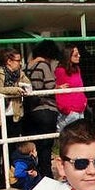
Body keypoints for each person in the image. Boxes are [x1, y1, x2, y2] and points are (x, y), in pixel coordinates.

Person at [0, 48, 32, 190]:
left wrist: (24, 88)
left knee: (11, 150)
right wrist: (15, 90)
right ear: (9, 61)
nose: (20, 63)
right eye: (17, 60)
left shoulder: (20, 73)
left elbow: (28, 85)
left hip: (14, 117)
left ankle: (9, 179)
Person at [24, 39, 62, 178]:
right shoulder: (44, 65)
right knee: (46, 146)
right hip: (46, 108)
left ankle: (36, 174)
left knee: (35, 145)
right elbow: (50, 86)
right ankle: (46, 175)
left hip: (30, 110)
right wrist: (59, 88)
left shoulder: (26, 66)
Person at [55, 43, 89, 129]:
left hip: (80, 108)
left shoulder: (77, 69)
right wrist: (66, 109)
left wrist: (84, 101)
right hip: (69, 111)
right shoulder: (60, 71)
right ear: (68, 56)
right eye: (75, 55)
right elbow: (56, 88)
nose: (79, 56)